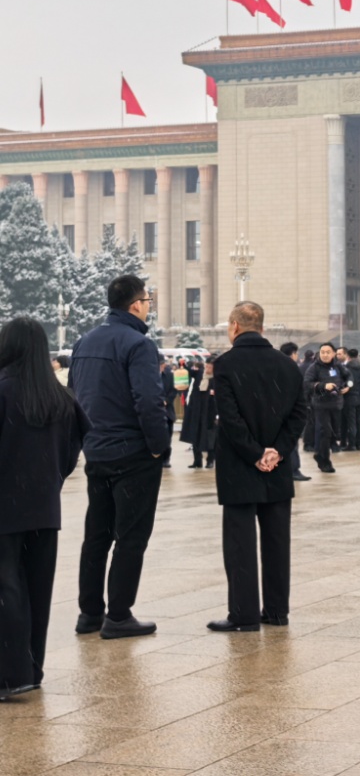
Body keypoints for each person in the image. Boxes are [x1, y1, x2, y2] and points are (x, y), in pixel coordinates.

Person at [69, 274, 169, 640]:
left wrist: (87, 441)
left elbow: (74, 395)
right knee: (131, 536)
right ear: (136, 305)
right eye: (148, 302)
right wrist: (158, 446)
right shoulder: (138, 344)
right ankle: (119, 615)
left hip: (97, 451)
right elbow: (148, 400)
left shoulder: (85, 342)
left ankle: (89, 613)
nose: (149, 308)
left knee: (97, 535)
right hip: (133, 453)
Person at [207, 302, 309, 632]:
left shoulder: (226, 364)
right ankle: (277, 611)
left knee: (240, 544)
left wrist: (254, 453)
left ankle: (244, 614)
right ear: (262, 328)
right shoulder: (287, 365)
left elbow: (230, 419)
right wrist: (277, 452)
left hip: (239, 466)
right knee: (277, 542)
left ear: (234, 326)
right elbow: (299, 414)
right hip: (277, 467)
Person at [0, 317, 88, 699]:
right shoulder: (61, 398)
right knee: (38, 589)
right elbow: (72, 452)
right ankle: (32, 668)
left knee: (7, 588)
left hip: (5, 506)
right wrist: (47, 480)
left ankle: (10, 673)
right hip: (44, 508)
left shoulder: (3, 390)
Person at [301, 344, 345, 474]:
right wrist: (322, 386)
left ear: (333, 354)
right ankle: (324, 461)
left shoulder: (337, 367)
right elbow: (307, 384)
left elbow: (347, 378)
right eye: (322, 352)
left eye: (328, 352)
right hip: (320, 405)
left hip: (336, 404)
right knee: (325, 432)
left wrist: (346, 386)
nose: (325, 354)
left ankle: (320, 455)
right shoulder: (314, 367)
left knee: (333, 433)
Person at [279, 343, 310, 482]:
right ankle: (293, 470)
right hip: (290, 411)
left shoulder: (277, 366)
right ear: (293, 354)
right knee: (292, 442)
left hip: (278, 411)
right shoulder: (291, 368)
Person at [179, 360, 217, 469]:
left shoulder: (217, 378)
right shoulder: (200, 374)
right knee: (195, 435)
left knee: (210, 437)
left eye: (210, 367)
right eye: (207, 366)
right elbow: (188, 371)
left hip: (210, 412)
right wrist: (182, 364)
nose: (208, 369)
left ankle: (210, 460)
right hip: (196, 410)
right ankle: (197, 461)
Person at [338, 347, 360, 452]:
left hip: (349, 397)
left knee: (351, 421)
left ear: (348, 356)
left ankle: (352, 444)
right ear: (357, 356)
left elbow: (343, 382)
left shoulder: (346, 368)